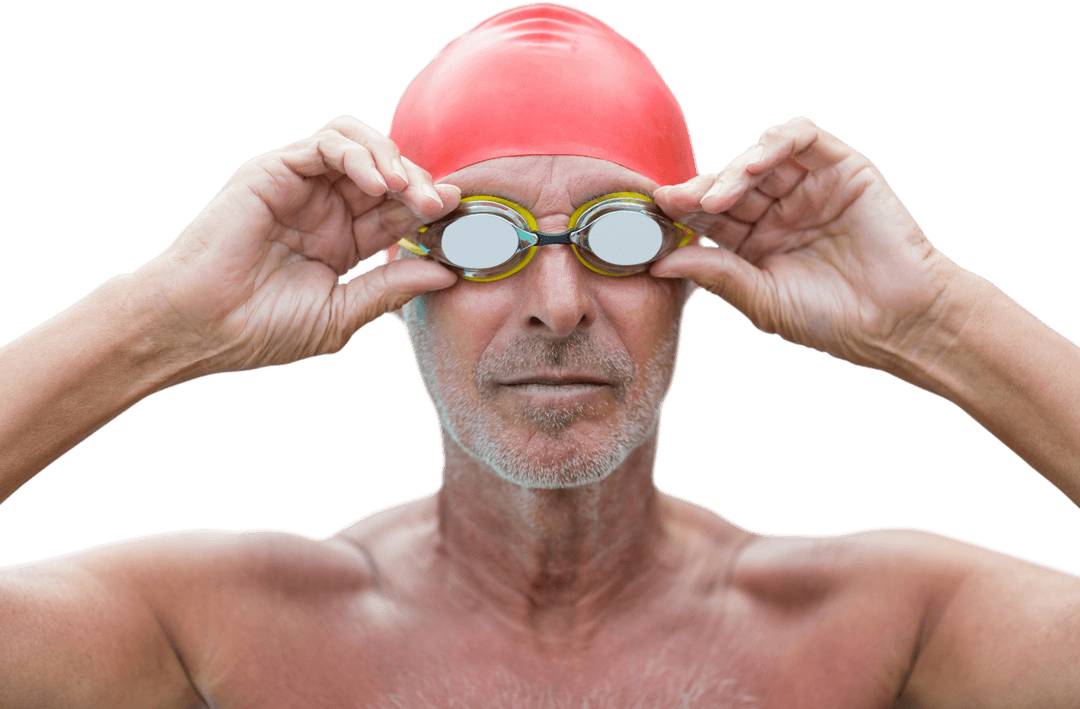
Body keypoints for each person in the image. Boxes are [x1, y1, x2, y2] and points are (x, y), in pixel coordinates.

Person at [1, 2, 1078, 707]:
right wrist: (158, 322)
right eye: (483, 239)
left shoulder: (883, 631)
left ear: (690, 270)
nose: (557, 305)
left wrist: (935, 316)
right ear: (395, 272)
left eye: (617, 238)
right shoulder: (222, 634)